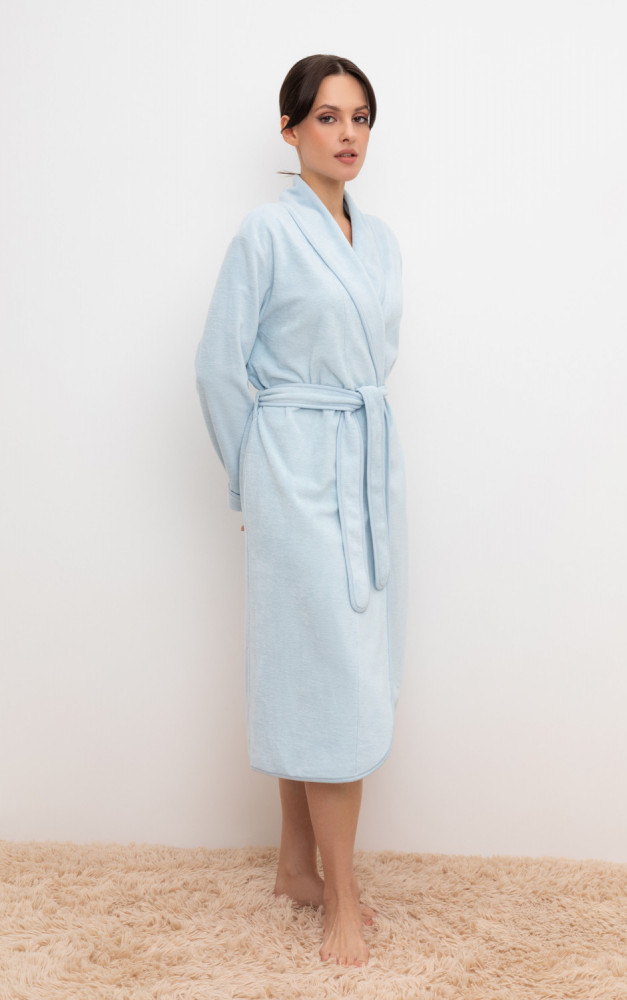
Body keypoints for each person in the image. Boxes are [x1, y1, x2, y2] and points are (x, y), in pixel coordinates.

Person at [195, 54, 407, 967]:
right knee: (327, 673)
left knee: (316, 664)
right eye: (327, 117)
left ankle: (295, 867)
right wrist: (257, 480)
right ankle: (342, 900)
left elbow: (373, 362)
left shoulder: (379, 239)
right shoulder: (265, 233)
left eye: (360, 117)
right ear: (290, 131)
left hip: (361, 463)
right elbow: (217, 365)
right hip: (292, 466)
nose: (347, 134)